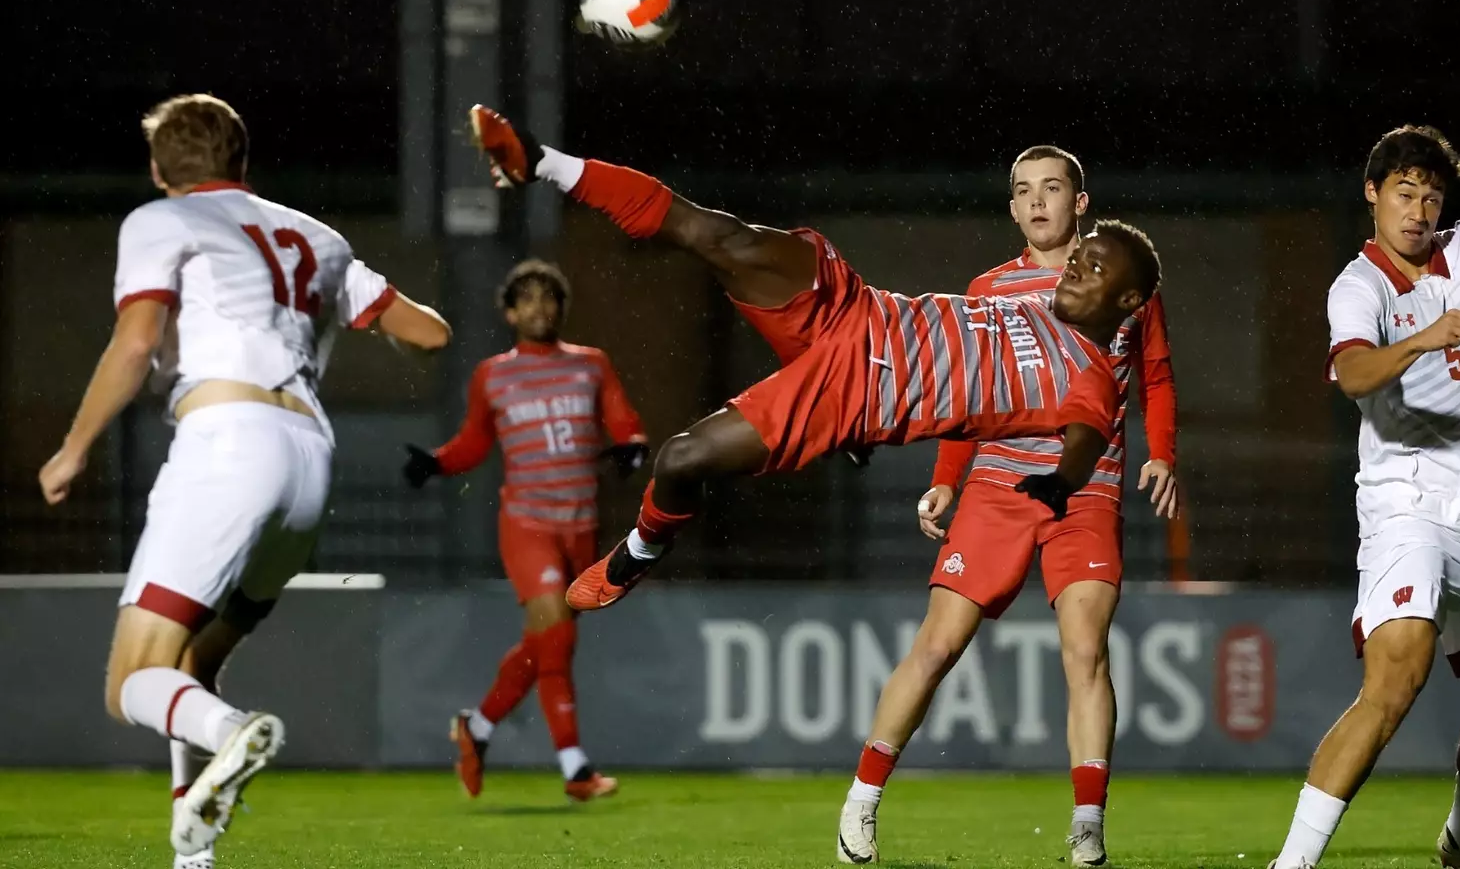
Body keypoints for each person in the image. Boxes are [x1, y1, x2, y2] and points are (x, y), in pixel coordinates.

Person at [467, 106, 1160, 625]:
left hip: (852, 393)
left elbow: (1086, 439)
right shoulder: (1006, 285)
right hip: (857, 309)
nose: (1077, 265)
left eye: (1093, 268)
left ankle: (639, 554)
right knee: (720, 235)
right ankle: (542, 162)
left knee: (680, 458)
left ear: (1124, 302)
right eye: (1082, 256)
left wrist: (1059, 486)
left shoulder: (1092, 373)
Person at [38, 94, 451, 867]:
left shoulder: (160, 220)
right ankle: (193, 853)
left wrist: (73, 447)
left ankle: (234, 733)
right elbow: (430, 333)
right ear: (244, 163)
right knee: (193, 664)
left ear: (161, 170)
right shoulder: (316, 237)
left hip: (228, 444)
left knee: (132, 679)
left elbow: (135, 345)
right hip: (309, 463)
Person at [837, 144, 1180, 865]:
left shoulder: (1122, 281)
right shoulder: (988, 288)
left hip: (1086, 489)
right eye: (1023, 191)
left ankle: (1088, 826)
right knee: (937, 645)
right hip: (998, 488)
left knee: (1086, 650)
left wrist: (1160, 454)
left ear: (1080, 202)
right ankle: (861, 801)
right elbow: (971, 392)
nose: (1036, 202)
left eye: (1051, 188)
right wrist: (945, 478)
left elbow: (1155, 374)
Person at [1270, 100, 1460, 869]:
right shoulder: (1356, 285)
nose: (1420, 208)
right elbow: (1354, 371)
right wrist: (1424, 337)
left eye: (1432, 193)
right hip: (1408, 507)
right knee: (1395, 677)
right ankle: (1291, 864)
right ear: (1373, 194)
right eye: (1404, 190)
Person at [402, 259, 647, 803]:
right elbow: (474, 443)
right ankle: (575, 767)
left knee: (549, 643)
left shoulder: (591, 365)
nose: (539, 307)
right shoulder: (493, 374)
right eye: (527, 299)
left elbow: (623, 420)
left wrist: (631, 446)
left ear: (562, 308)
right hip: (527, 524)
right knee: (555, 635)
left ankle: (479, 727)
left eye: (548, 297)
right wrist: (437, 463)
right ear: (509, 312)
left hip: (580, 526)